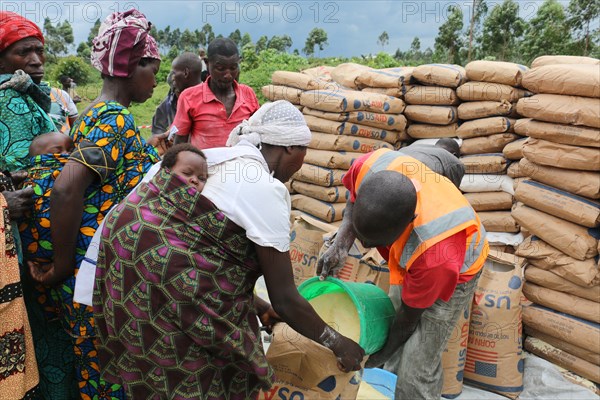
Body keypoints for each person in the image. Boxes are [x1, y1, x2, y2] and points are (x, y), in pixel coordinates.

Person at [94, 100, 365, 399]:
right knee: (199, 372)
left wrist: (260, 307)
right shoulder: (264, 188)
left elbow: (210, 258)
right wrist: (339, 343)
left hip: (125, 258)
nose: (303, 160)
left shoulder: (213, 159)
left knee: (149, 359)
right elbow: (286, 298)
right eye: (304, 151)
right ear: (291, 148)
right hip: (162, 275)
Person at [27, 9, 166, 399]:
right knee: (109, 379)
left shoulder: (90, 117)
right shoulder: (114, 119)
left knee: (97, 373)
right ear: (132, 65)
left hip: (95, 275)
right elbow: (68, 188)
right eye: (153, 70)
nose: (156, 81)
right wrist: (61, 265)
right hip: (96, 277)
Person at [318, 147, 489, 399]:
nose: (364, 246)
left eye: (374, 240)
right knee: (388, 324)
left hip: (457, 270)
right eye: (362, 236)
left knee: (417, 363)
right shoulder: (370, 165)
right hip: (415, 257)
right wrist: (342, 242)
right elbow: (354, 199)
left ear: (409, 222)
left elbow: (408, 320)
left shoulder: (435, 254)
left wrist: (374, 359)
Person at [0, 11, 61, 399]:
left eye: (40, 51)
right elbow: (34, 174)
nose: (36, 60)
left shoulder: (27, 95)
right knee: (42, 331)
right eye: (25, 52)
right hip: (25, 240)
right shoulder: (12, 102)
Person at [171, 37, 259, 149]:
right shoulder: (189, 97)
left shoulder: (248, 94)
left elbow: (259, 133)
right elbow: (180, 143)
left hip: (242, 164)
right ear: (207, 64)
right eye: (220, 68)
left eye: (233, 68)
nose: (228, 75)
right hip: (205, 165)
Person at [151, 52, 203, 136]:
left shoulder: (209, 99)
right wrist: (164, 139)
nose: (173, 77)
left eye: (174, 74)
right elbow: (157, 129)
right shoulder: (169, 101)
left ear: (186, 73)